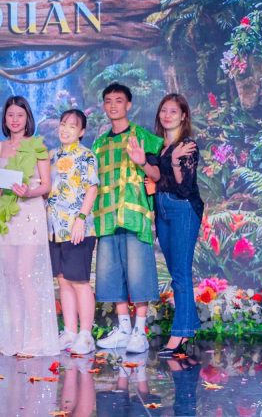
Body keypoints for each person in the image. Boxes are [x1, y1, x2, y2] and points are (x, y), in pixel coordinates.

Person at [92, 83, 162, 354]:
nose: (113, 105)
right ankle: (123, 329)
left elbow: (157, 175)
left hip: (134, 215)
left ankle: (139, 331)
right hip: (107, 217)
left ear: (129, 104)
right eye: (108, 100)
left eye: (118, 100)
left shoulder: (141, 136)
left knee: (138, 271)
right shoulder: (99, 144)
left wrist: (142, 162)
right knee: (112, 273)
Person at [0, 96, 60, 357]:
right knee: (10, 276)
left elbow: (46, 186)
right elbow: (0, 187)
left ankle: (36, 337)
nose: (15, 120)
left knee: (24, 275)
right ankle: (16, 337)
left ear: (27, 117)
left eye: (20, 115)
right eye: (10, 115)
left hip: (30, 213)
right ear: (5, 119)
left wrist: (28, 192)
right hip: (8, 216)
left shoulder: (38, 145)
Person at [147, 93, 202, 358]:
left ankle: (178, 334)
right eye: (163, 110)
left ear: (183, 116)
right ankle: (189, 326)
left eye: (173, 111)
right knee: (175, 272)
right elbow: (156, 178)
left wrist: (176, 161)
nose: (167, 115)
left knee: (181, 273)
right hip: (162, 209)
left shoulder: (187, 146)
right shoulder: (160, 146)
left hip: (182, 209)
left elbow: (184, 187)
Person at [47, 108, 99, 355]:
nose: (65, 129)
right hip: (54, 228)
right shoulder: (52, 156)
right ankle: (69, 331)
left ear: (81, 131)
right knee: (63, 280)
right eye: (63, 124)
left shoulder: (86, 155)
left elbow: (92, 188)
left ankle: (86, 334)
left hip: (78, 228)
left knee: (79, 281)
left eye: (72, 126)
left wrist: (81, 219)